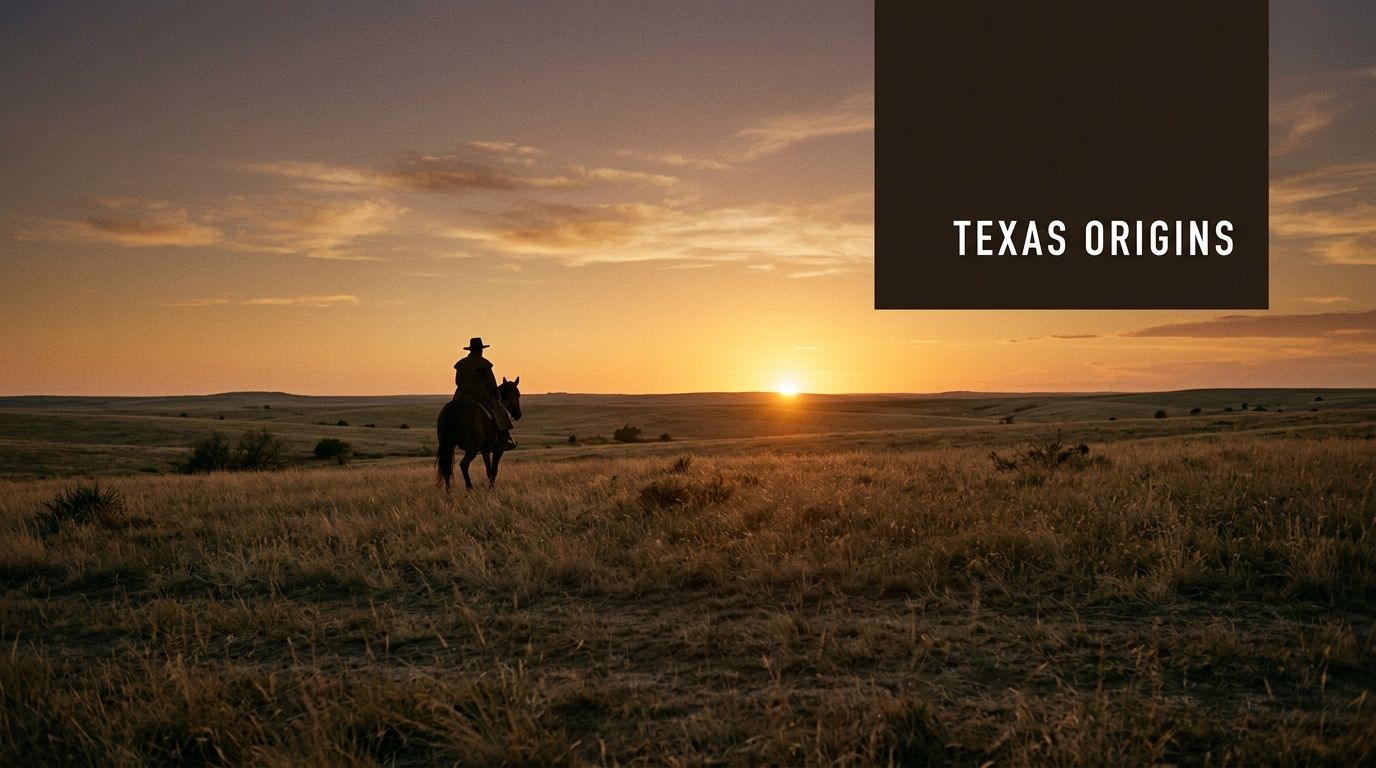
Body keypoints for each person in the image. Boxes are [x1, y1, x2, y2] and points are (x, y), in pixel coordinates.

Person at [453, 337, 516, 449]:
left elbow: (457, 381)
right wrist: (497, 395)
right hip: (480, 395)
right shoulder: (484, 364)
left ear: (471, 350)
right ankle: (505, 438)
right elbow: (491, 382)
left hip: (461, 395)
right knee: (502, 413)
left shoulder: (461, 364)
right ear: (481, 350)